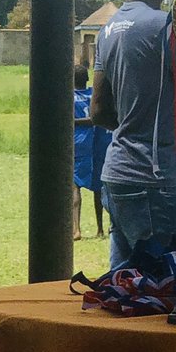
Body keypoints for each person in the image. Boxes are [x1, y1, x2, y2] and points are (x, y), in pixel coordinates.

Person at [91, 0, 176, 271]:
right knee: (165, 290)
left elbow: (99, 111)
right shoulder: (163, 26)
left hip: (118, 175)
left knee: (125, 289)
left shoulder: (108, 29)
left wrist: (138, 122)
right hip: (156, 182)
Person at [73, 65, 106, 240]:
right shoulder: (93, 93)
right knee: (98, 187)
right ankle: (100, 229)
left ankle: (76, 229)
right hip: (97, 142)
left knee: (75, 186)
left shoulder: (70, 97)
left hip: (78, 142)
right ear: (87, 79)